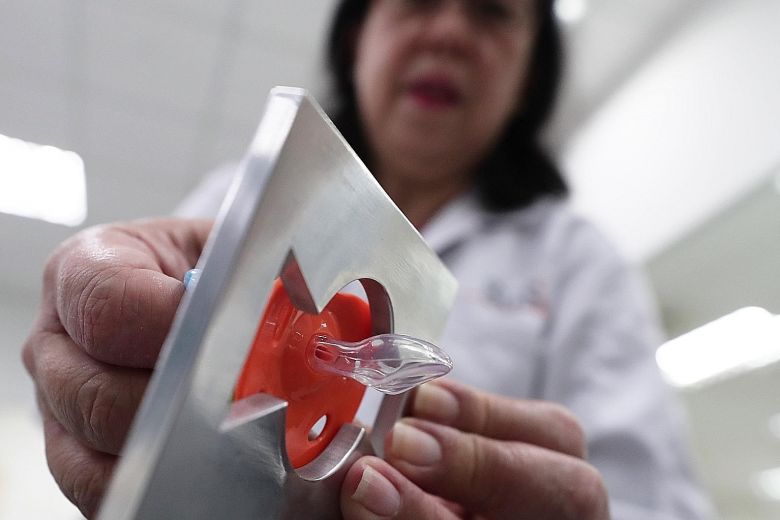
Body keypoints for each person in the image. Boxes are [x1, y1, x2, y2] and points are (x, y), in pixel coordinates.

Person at [22, 0, 714, 518]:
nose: (449, 32)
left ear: (528, 76)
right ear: (359, 35)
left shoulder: (578, 260)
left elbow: (658, 502)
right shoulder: (235, 199)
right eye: (417, 1)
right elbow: (117, 431)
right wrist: (88, 358)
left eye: (493, 12)